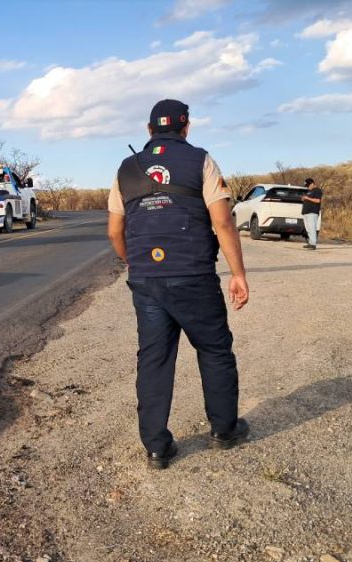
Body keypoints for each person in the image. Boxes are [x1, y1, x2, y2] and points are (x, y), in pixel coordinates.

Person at [107, 99, 250, 470]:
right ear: (186, 127)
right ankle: (224, 430)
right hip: (194, 276)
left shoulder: (126, 168)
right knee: (215, 350)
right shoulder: (201, 160)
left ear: (149, 129)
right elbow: (222, 222)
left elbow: (114, 230)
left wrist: (133, 262)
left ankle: (156, 447)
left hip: (145, 281)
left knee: (154, 359)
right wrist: (238, 273)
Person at [301, 177, 323, 249]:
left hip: (312, 212)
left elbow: (317, 201)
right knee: (308, 229)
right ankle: (310, 242)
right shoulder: (309, 191)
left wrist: (307, 198)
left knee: (312, 228)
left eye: (308, 185)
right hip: (306, 212)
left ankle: (313, 244)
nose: (307, 187)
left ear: (312, 184)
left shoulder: (317, 190)